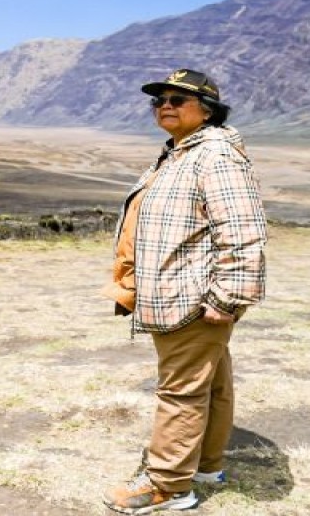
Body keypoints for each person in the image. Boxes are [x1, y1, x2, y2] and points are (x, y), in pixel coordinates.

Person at [101, 68, 268, 514]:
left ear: (207, 110)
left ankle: (169, 486)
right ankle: (206, 465)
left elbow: (243, 232)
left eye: (179, 99)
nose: (166, 106)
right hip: (179, 294)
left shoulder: (214, 156)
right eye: (159, 100)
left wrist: (226, 298)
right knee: (210, 384)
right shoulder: (180, 153)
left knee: (180, 391)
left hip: (190, 299)